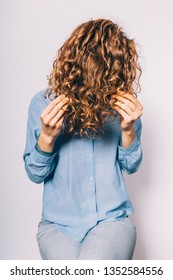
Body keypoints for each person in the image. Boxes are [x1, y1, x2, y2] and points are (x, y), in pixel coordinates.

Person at [23, 18, 143, 260]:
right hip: (57, 226)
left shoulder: (123, 108)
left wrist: (128, 128)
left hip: (112, 221)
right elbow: (35, 174)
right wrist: (47, 136)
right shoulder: (43, 103)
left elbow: (131, 166)